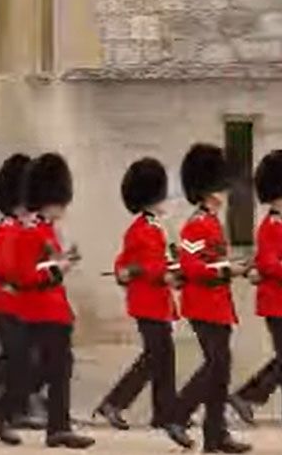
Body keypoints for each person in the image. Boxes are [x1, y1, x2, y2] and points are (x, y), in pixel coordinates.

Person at [93, 158, 193, 448]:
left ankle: (147, 410)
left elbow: (134, 263)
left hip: (155, 301)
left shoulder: (151, 227)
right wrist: (167, 273)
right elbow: (141, 265)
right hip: (147, 301)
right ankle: (139, 408)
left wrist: (171, 267)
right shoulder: (143, 229)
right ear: (153, 198)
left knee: (158, 358)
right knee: (159, 357)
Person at [0, 153, 93, 449]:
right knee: (33, 370)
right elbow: (25, 275)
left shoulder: (48, 231)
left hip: (55, 310)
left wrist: (61, 262)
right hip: (36, 311)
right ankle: (3, 411)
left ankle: (58, 428)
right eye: (59, 201)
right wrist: (58, 267)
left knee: (59, 368)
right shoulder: (29, 233)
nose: (63, 208)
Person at [175, 144, 252, 453]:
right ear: (209, 191)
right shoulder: (196, 224)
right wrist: (226, 269)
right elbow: (191, 266)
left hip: (217, 305)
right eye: (220, 187)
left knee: (221, 369)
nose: (224, 193)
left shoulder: (210, 222)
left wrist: (233, 268)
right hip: (203, 305)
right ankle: (179, 412)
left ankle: (215, 435)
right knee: (217, 365)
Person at [0, 154, 40, 432]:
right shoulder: (8, 229)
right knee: (20, 356)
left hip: (22, 303)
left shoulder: (26, 229)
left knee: (20, 356)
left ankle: (6, 405)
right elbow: (2, 268)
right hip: (4, 303)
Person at [230, 150, 282, 424]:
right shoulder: (269, 227)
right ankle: (247, 397)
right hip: (276, 303)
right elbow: (270, 264)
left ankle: (246, 396)